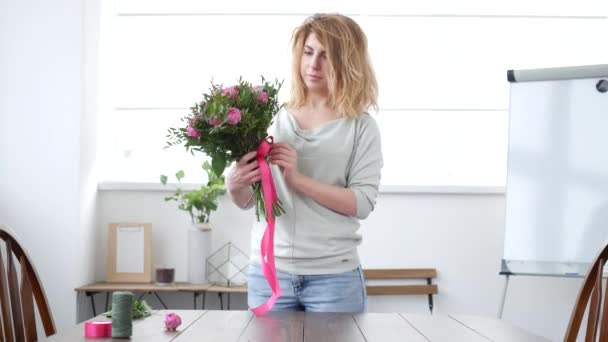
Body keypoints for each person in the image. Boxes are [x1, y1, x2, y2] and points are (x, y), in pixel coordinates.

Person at [226, 13, 383, 312]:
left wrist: (298, 180)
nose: (313, 64)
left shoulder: (361, 127)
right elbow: (248, 201)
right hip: (269, 274)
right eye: (309, 52)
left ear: (347, 62)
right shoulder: (270, 117)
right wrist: (234, 185)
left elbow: (362, 203)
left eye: (326, 56)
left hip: (334, 278)